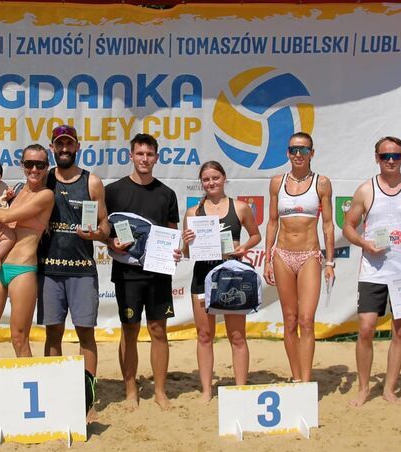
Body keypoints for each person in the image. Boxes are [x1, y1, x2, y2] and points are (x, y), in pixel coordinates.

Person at [342, 136, 401, 406]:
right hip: (373, 271)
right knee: (366, 328)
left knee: (400, 332)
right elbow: (347, 227)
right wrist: (364, 242)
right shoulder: (366, 190)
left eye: (396, 156)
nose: (390, 161)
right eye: (385, 156)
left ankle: (390, 388)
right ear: (376, 158)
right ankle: (364, 387)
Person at [105, 133, 180, 409]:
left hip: (158, 274)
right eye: (140, 154)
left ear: (156, 158)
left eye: (149, 154)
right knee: (129, 331)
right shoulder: (113, 191)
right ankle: (130, 390)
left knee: (159, 330)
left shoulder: (167, 194)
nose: (144, 159)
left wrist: (176, 251)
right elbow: (104, 230)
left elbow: (173, 235)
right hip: (128, 274)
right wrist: (109, 241)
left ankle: (160, 391)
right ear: (131, 156)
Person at [38, 125, 108, 401]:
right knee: (53, 335)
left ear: (78, 146)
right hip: (49, 270)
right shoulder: (43, 180)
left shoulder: (92, 182)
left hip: (81, 271)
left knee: (85, 336)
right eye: (59, 144)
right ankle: (54, 397)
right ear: (52, 147)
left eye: (69, 144)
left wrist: (97, 234)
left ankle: (86, 400)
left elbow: (105, 225)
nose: (64, 149)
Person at [181, 161, 261, 401]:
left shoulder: (240, 208)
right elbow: (186, 253)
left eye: (215, 177)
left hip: (232, 275)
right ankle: (206, 390)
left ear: (224, 178)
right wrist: (186, 240)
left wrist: (243, 247)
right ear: (201, 183)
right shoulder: (193, 213)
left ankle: (240, 389)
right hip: (202, 277)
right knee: (204, 336)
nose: (211, 183)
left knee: (237, 336)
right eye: (206, 179)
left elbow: (256, 235)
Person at [263, 132, 335, 382]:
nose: (298, 154)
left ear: (312, 153)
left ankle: (306, 380)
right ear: (287, 152)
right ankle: (296, 378)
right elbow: (272, 222)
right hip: (282, 255)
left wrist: (330, 262)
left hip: (309, 256)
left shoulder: (322, 183)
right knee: (290, 320)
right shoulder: (276, 182)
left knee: (306, 320)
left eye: (303, 150)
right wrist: (267, 258)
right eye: (294, 149)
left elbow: (328, 225)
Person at [0, 144, 54, 359]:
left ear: (47, 167)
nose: (34, 169)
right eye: (29, 164)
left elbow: (7, 217)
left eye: (40, 164)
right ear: (22, 165)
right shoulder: (16, 191)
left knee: (19, 339)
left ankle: (26, 386)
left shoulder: (46, 195)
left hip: (23, 269)